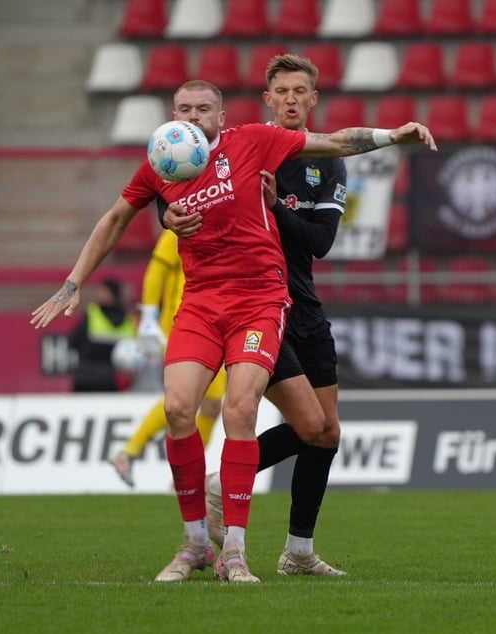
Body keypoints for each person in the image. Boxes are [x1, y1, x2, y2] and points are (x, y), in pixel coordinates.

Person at [30, 78, 436, 584]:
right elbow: (115, 219)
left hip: (259, 300)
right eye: (185, 109)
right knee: (178, 408)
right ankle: (197, 543)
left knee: (244, 409)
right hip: (200, 304)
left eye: (204, 108)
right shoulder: (163, 163)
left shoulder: (252, 141)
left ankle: (236, 553)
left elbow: (333, 142)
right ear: (172, 115)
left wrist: (393, 136)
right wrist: (73, 284)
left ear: (221, 117)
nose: (194, 116)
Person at [165, 55, 349, 576]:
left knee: (325, 431)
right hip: (257, 305)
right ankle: (225, 495)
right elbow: (177, 191)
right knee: (288, 419)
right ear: (267, 100)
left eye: (301, 91)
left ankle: (298, 551)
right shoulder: (241, 147)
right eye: (281, 91)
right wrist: (166, 214)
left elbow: (320, 243)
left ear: (313, 100)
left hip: (304, 303)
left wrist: (278, 209)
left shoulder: (327, 162)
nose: (291, 99)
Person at [109, 229, 227, 486]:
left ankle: (137, 457)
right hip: (184, 325)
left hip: (213, 325)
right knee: (193, 401)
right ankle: (178, 477)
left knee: (207, 405)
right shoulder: (179, 226)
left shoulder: (221, 221)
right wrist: (149, 316)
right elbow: (156, 270)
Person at [67, 278, 137, 393]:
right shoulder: (128, 319)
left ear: (113, 294)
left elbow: (75, 342)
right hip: (91, 378)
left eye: (104, 291)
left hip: (105, 380)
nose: (99, 294)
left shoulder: (93, 315)